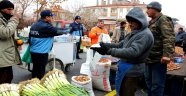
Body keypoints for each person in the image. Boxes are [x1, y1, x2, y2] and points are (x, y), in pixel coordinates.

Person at [91, 7, 154, 96]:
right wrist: (104, 45)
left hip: (133, 70)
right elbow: (120, 45)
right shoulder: (135, 32)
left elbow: (133, 52)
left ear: (140, 21)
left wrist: (109, 51)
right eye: (129, 21)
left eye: (133, 22)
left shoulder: (145, 34)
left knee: (127, 93)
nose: (130, 24)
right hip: (125, 67)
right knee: (121, 91)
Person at [145, 1, 175, 96]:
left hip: (158, 60)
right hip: (148, 59)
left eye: (148, 9)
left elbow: (169, 37)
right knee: (148, 83)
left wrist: (166, 55)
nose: (147, 11)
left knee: (157, 85)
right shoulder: (151, 22)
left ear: (155, 9)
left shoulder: (163, 19)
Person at [29, 10, 68, 79]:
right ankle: (39, 86)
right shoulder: (45, 26)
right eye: (51, 17)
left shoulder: (34, 25)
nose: (52, 18)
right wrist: (69, 30)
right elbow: (58, 31)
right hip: (41, 52)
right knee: (41, 71)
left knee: (35, 69)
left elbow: (30, 38)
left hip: (33, 51)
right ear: (46, 17)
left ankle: (34, 82)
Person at [0, 0, 21, 84]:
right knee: (3, 80)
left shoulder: (6, 19)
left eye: (12, 9)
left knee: (8, 78)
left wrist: (17, 41)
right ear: (1, 9)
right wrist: (14, 20)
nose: (11, 11)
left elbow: (11, 33)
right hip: (1, 58)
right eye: (9, 9)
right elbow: (5, 33)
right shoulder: (8, 20)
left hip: (5, 57)